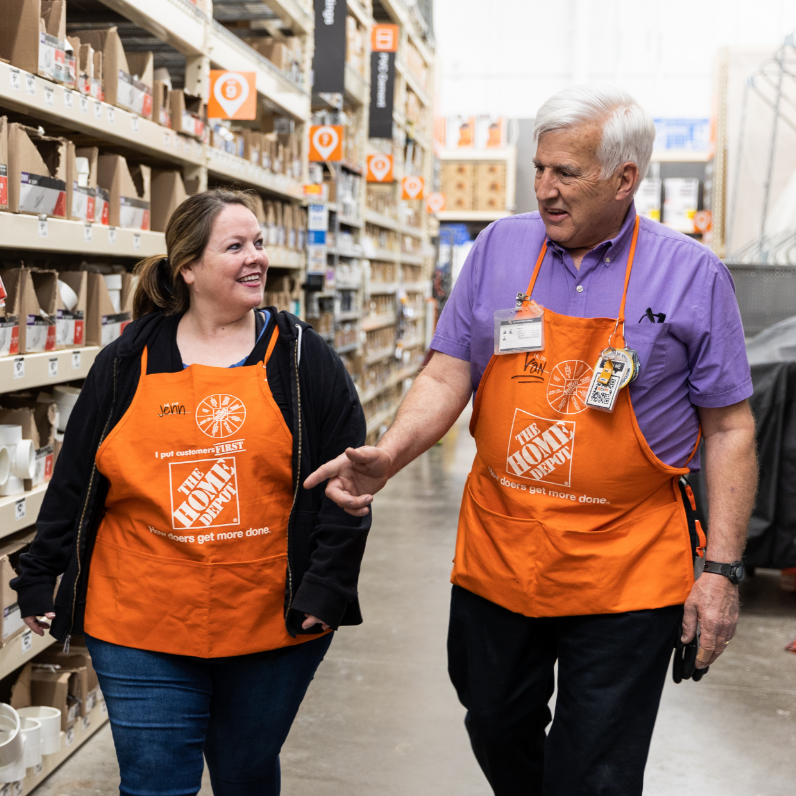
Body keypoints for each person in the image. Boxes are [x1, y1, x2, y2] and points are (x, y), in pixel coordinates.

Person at [306, 85, 757, 795]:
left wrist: (721, 571)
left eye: (566, 174)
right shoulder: (498, 248)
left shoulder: (691, 274)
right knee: (492, 716)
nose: (545, 189)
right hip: (503, 545)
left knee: (597, 766)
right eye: (539, 169)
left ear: (624, 179)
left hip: (626, 559)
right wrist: (389, 454)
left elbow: (729, 426)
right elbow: (450, 368)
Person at [12, 189, 371, 796]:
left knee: (245, 775)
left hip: (268, 620)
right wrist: (42, 573)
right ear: (188, 267)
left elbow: (347, 485)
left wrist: (328, 588)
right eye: (235, 247)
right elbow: (75, 480)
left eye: (258, 243)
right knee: (155, 784)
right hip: (139, 617)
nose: (255, 257)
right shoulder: (129, 360)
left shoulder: (305, 359)